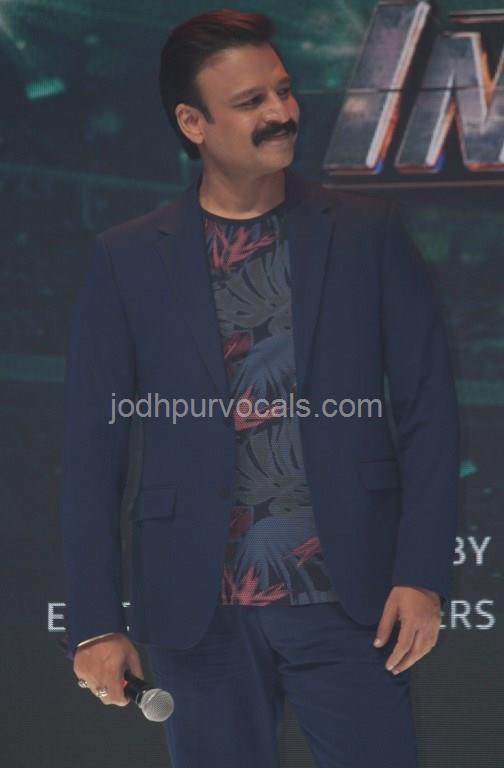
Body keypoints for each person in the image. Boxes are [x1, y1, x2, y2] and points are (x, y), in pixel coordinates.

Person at [60, 9, 460, 768]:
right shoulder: (127, 258)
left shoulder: (369, 233)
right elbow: (90, 453)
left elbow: (430, 414)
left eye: (283, 90)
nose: (281, 112)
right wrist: (96, 623)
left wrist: (421, 575)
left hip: (356, 601)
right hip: (195, 611)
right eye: (251, 101)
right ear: (193, 122)